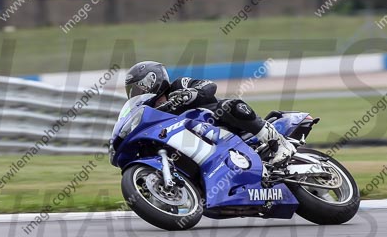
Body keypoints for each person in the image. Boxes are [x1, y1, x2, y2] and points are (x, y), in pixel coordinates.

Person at [124, 60, 296, 165]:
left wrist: (190, 93)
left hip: (220, 123)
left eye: (139, 88)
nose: (138, 93)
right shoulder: (153, 112)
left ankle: (278, 143)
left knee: (229, 105)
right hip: (201, 146)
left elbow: (209, 85)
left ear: (153, 80)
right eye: (133, 91)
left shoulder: (178, 85)